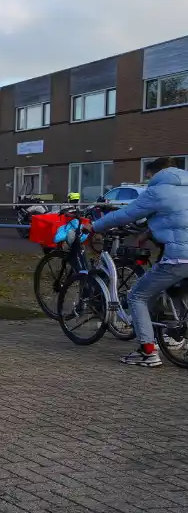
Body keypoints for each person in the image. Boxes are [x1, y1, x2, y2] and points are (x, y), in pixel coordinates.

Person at [87, 156, 188, 367]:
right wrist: (150, 231)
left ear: (157, 173)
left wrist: (94, 227)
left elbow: (125, 214)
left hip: (179, 257)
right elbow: (179, 218)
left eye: (148, 175)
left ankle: (147, 352)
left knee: (137, 296)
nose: (147, 180)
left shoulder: (158, 191)